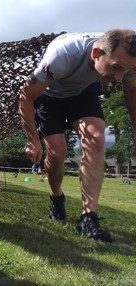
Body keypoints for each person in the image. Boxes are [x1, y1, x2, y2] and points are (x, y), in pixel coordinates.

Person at [18, 29, 136, 242]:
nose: (119, 77)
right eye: (116, 68)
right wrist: (32, 139)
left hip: (83, 91)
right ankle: (56, 196)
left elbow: (131, 88)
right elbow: (26, 96)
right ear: (96, 53)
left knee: (96, 138)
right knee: (57, 152)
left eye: (126, 69)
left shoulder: (125, 62)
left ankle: (88, 217)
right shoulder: (60, 58)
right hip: (49, 95)